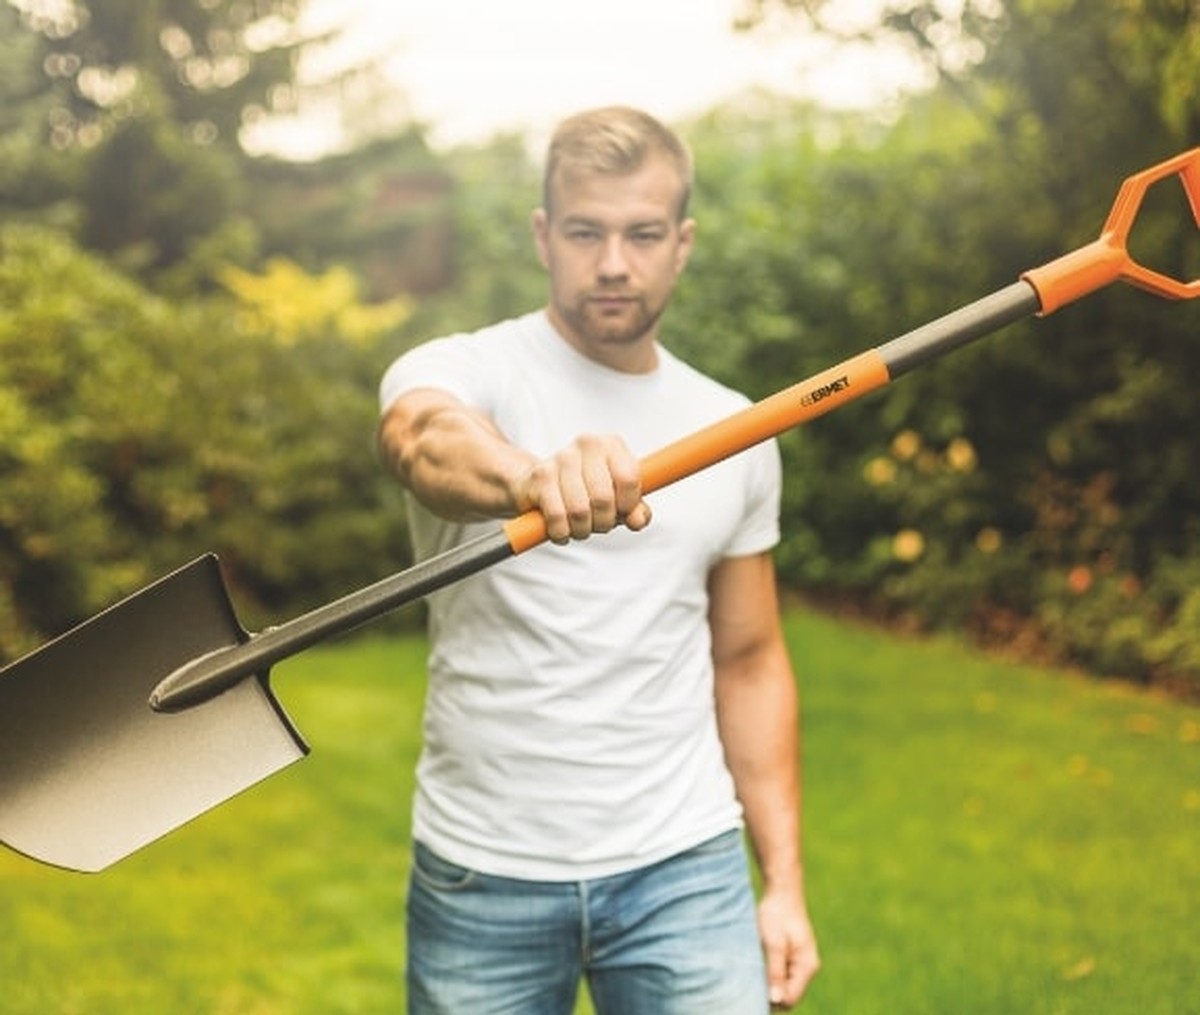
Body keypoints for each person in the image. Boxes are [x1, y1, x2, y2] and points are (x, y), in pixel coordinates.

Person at [377, 105, 819, 1013]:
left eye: (642, 233)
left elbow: (748, 658)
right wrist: (528, 475)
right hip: (482, 869)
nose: (614, 262)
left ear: (682, 242)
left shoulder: (734, 429)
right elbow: (421, 439)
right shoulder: (467, 369)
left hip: (684, 868)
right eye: (586, 231)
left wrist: (783, 883)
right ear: (545, 235)